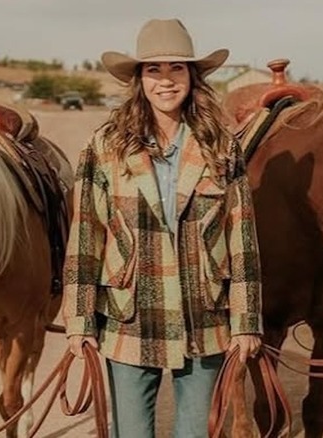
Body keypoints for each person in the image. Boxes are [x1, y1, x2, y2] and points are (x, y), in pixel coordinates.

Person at [62, 18, 262, 438]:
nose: (166, 81)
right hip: (130, 319)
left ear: (193, 76)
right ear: (139, 79)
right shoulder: (105, 147)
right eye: (154, 70)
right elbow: (85, 239)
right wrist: (80, 321)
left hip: (205, 319)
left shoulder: (222, 147)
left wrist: (246, 322)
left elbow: (242, 241)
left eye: (177, 68)